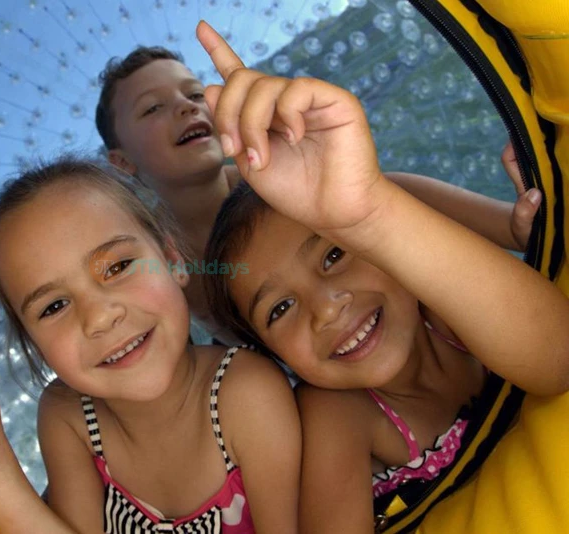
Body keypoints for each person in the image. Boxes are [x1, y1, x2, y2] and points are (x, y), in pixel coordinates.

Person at [196, 20, 569, 534]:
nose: (326, 309)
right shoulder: (337, 412)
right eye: (279, 310)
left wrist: (370, 212)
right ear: (277, 357)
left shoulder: (446, 305)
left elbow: (560, 356)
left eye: (333, 257)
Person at [0, 155, 301, 533]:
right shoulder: (68, 416)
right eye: (54, 306)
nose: (100, 317)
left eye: (119, 267)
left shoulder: (247, 393)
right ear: (34, 345)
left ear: (173, 259)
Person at [94, 46, 540, 344]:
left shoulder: (276, 172)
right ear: (121, 163)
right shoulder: (151, 266)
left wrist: (513, 226)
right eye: (153, 108)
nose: (187, 106)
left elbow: (385, 198)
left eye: (194, 92)